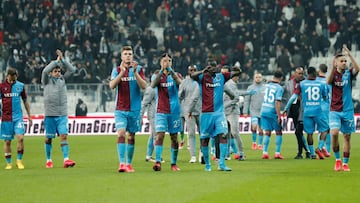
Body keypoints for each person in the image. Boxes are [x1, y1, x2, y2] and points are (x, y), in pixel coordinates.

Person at [191, 59, 240, 171]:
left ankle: (221, 163)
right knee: (205, 140)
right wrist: (203, 71)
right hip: (206, 114)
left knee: (223, 134)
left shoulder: (222, 76)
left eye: (214, 66)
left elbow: (237, 73)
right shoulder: (202, 77)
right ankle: (207, 164)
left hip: (219, 113)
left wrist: (234, 70)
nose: (212, 68)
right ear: (207, 67)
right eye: (210, 66)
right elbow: (192, 76)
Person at [109, 46, 147, 173]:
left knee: (131, 136)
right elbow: (112, 85)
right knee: (121, 133)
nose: (128, 56)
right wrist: (121, 72)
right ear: (121, 56)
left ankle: (129, 164)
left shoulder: (139, 69)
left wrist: (135, 72)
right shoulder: (116, 70)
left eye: (130, 54)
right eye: (125, 54)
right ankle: (121, 164)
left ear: (133, 56)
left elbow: (144, 86)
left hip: (135, 109)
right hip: (120, 109)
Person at [284, 66, 329, 160]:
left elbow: (293, 97)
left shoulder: (302, 84)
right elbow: (325, 97)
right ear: (315, 73)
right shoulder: (321, 84)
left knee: (309, 133)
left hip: (306, 112)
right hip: (318, 111)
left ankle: (312, 154)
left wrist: (286, 108)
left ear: (307, 74)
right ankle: (319, 148)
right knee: (325, 129)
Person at [42, 49, 76, 169]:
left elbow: (72, 70)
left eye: (59, 71)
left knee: (64, 135)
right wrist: (55, 61)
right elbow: (45, 71)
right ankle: (48, 160)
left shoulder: (63, 80)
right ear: (51, 73)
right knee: (49, 138)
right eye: (55, 71)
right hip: (50, 114)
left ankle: (66, 160)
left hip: (62, 114)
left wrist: (63, 61)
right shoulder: (46, 81)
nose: (58, 73)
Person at [327, 45, 359, 172]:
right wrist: (332, 68)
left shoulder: (349, 74)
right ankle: (337, 160)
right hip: (334, 110)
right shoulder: (333, 75)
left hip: (348, 110)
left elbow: (358, 69)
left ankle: (345, 164)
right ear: (336, 63)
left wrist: (349, 55)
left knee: (347, 137)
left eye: (345, 61)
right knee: (334, 133)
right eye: (342, 61)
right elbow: (328, 82)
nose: (344, 63)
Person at [151, 53, 182, 172]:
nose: (167, 63)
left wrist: (172, 72)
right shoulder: (156, 76)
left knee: (174, 138)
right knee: (160, 135)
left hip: (174, 112)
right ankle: (158, 162)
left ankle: (173, 164)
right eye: (164, 61)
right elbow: (153, 85)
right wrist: (161, 71)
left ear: (172, 63)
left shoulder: (176, 75)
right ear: (160, 63)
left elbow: (180, 84)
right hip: (161, 111)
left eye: (169, 61)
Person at [0, 67, 32, 169]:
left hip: (18, 117)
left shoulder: (20, 86)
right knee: (7, 141)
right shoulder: (1, 86)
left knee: (21, 138)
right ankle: (9, 163)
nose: (14, 79)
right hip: (6, 117)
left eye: (15, 77)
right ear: (7, 76)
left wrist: (29, 115)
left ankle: (19, 161)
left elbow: (25, 101)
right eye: (12, 77)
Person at [223, 66, 253, 161]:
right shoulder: (230, 83)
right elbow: (236, 96)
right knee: (229, 133)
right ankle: (230, 154)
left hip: (231, 112)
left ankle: (240, 153)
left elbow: (235, 97)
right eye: (237, 76)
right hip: (227, 111)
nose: (238, 79)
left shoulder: (229, 83)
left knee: (233, 133)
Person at [283, 67, 310, 159]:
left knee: (298, 132)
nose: (300, 75)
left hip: (303, 109)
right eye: (298, 73)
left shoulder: (307, 82)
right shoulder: (289, 83)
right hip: (293, 109)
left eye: (302, 73)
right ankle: (306, 152)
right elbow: (285, 93)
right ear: (295, 74)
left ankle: (303, 152)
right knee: (299, 133)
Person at [178, 65, 201, 163]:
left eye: (194, 70)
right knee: (191, 133)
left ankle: (202, 153)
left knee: (203, 133)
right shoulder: (184, 82)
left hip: (200, 110)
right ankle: (193, 156)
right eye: (191, 70)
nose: (192, 72)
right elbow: (180, 95)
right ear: (188, 71)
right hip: (188, 112)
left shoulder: (201, 80)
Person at [260, 70, 284, 159]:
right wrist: (279, 115)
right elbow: (277, 102)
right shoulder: (279, 88)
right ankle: (277, 153)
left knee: (267, 132)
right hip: (272, 111)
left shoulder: (267, 86)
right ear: (281, 78)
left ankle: (265, 152)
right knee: (278, 132)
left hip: (263, 109)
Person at [243, 72, 266, 151]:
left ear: (262, 78)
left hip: (263, 111)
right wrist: (245, 111)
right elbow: (246, 100)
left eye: (259, 77)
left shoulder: (265, 88)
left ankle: (260, 144)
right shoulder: (250, 88)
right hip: (254, 111)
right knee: (254, 126)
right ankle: (254, 143)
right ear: (254, 78)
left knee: (261, 129)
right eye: (256, 77)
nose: (258, 78)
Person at [140, 70, 159, 162]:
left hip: (158, 114)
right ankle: (158, 156)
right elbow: (144, 104)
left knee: (153, 135)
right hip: (153, 115)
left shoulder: (158, 88)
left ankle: (148, 155)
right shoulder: (151, 89)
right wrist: (140, 117)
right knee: (156, 135)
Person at [316, 64, 331, 157]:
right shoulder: (328, 81)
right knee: (326, 129)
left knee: (322, 129)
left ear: (319, 70)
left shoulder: (315, 81)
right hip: (326, 107)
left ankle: (324, 149)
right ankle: (321, 148)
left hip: (315, 106)